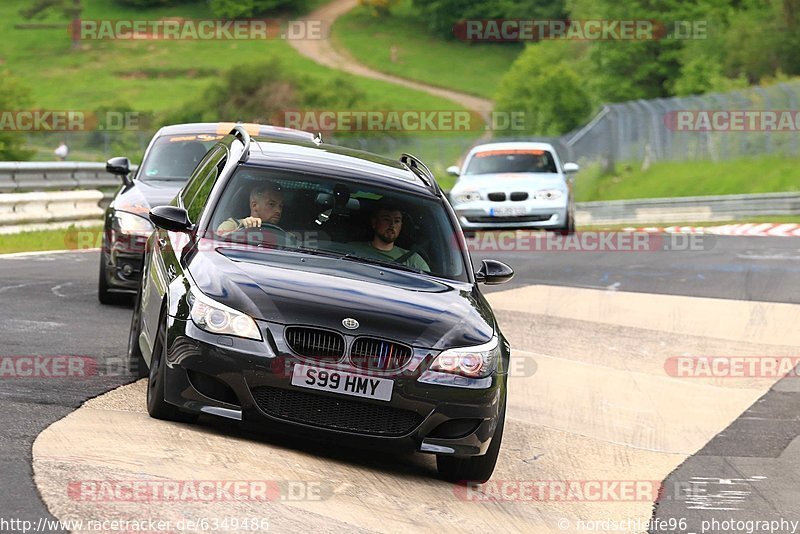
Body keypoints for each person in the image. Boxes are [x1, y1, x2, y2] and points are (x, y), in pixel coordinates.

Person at [348, 203, 430, 272]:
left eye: (397, 221)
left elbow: (429, 284)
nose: (392, 225)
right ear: (374, 223)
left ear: (401, 225)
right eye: (386, 219)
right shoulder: (352, 249)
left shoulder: (413, 259)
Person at [216, 182, 284, 236]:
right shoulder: (232, 225)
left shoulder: (284, 235)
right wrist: (241, 230)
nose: (278, 211)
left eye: (280, 206)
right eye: (271, 204)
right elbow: (216, 241)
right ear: (254, 205)